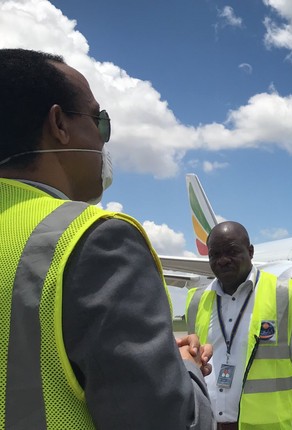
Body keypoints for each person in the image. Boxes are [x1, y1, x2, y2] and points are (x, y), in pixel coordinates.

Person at [0, 48, 213, 429]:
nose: (103, 142)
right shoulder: (94, 239)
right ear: (59, 124)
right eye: (100, 122)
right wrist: (186, 370)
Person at [185, 221, 292, 430]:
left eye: (232, 252)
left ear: (250, 252)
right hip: (210, 423)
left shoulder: (284, 294)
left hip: (269, 425)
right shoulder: (196, 300)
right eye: (215, 254)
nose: (223, 260)